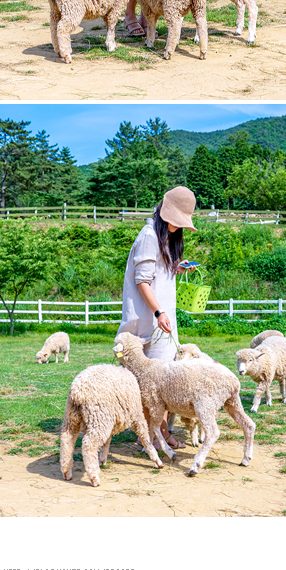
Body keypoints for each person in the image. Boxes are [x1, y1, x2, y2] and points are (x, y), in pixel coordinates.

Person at [117, 185, 197, 448]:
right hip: (149, 320)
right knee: (147, 384)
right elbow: (143, 281)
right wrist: (159, 311)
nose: (176, 226)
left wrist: (177, 267)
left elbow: (158, 272)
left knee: (163, 382)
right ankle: (149, 435)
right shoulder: (149, 235)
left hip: (161, 320)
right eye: (174, 220)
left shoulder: (165, 237)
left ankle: (158, 433)